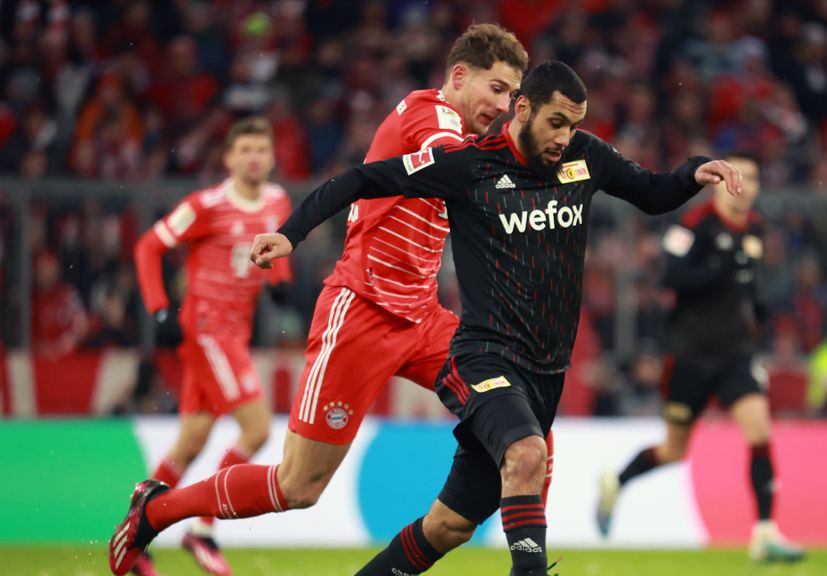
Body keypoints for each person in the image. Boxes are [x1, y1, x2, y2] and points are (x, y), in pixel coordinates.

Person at [256, 61, 740, 576]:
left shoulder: (585, 157)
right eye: (556, 122)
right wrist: (291, 233)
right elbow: (361, 179)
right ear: (523, 108)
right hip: (483, 357)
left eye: (574, 124)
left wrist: (693, 172)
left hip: (545, 373)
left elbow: (652, 191)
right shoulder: (469, 165)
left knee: (448, 527)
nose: (564, 136)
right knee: (529, 453)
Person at [109, 24, 529, 576]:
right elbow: (458, 163)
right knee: (298, 485)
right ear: (459, 76)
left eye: (511, 96)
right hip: (361, 313)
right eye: (496, 89)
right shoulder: (429, 118)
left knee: (519, 413)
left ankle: (514, 552)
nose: (502, 106)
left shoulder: (467, 138)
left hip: (424, 318)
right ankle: (156, 513)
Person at [595, 152, 806, 563]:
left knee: (759, 431)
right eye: (739, 174)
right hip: (689, 356)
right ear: (721, 181)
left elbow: (746, 283)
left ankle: (764, 534)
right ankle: (616, 482)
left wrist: (757, 307)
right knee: (675, 450)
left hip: (734, 355)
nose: (746, 183)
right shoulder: (694, 225)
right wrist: (720, 267)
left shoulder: (756, 229)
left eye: (755, 176)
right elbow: (670, 279)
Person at [128, 116, 292, 576]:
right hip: (206, 331)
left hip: (235, 333)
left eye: (262, 148)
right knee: (257, 429)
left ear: (272, 157)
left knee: (192, 440)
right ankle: (201, 529)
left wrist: (280, 279)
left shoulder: (278, 200)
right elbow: (147, 247)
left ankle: (134, 534)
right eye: (246, 150)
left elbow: (274, 251)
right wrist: (160, 308)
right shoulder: (207, 204)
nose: (255, 157)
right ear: (229, 159)